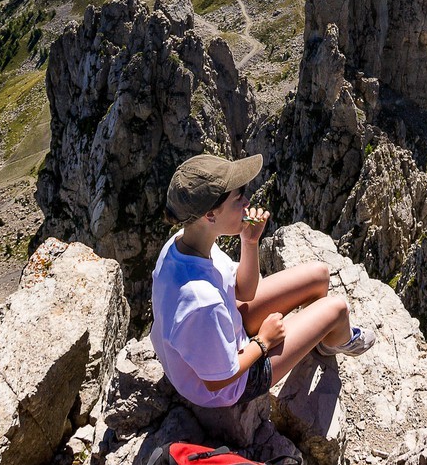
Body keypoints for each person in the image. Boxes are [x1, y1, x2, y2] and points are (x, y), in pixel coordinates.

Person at [150, 152, 375, 410]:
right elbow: (219, 380)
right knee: (338, 309)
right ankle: (334, 342)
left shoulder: (184, 243)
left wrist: (250, 241)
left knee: (319, 275)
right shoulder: (202, 302)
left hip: (226, 331)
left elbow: (245, 292)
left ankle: (321, 337)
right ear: (210, 215)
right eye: (238, 197)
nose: (247, 202)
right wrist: (263, 341)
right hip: (230, 384)